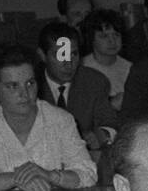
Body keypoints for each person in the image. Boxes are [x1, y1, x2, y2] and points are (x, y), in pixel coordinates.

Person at [0, 44, 97, 191]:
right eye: (13, 86)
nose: (24, 93)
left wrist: (49, 175)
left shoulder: (61, 120)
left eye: (30, 83)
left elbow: (88, 174)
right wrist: (18, 178)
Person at [36, 21, 118, 152]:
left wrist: (101, 135)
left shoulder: (94, 81)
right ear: (42, 55)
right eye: (60, 55)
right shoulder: (30, 83)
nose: (68, 63)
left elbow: (111, 124)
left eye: (73, 54)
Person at [81, 9, 133, 112]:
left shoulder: (130, 67)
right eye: (104, 36)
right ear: (92, 39)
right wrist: (110, 105)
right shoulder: (82, 67)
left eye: (116, 35)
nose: (112, 41)